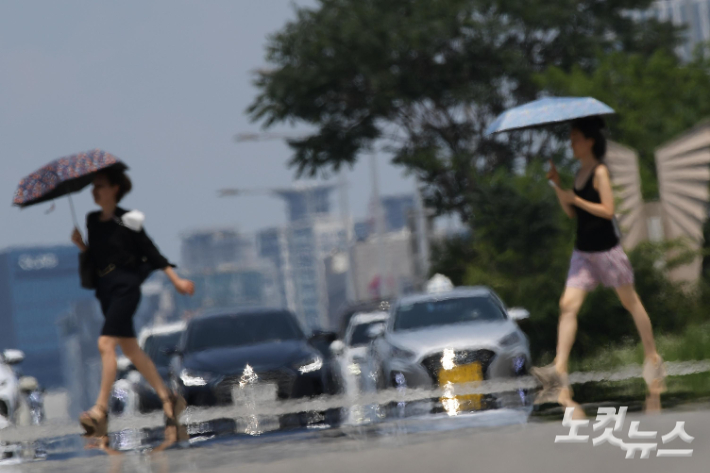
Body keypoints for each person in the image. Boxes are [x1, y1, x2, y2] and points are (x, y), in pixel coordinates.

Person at [532, 116, 667, 408]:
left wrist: (576, 200)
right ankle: (559, 367)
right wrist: (558, 185)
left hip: (607, 251)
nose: (572, 144)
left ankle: (653, 356)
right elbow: (572, 214)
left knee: (630, 301)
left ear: (590, 140)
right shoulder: (579, 173)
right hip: (583, 252)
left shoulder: (599, 172)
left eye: (576, 139)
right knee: (567, 305)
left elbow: (607, 210)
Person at [71, 168, 195, 437]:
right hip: (106, 290)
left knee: (105, 344)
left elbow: (150, 250)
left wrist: (176, 281)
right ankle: (168, 399)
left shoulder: (130, 219)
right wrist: (83, 247)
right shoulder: (92, 220)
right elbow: (98, 258)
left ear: (115, 189)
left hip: (127, 287)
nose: (95, 191)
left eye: (100, 186)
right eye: (93, 187)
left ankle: (100, 411)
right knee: (131, 350)